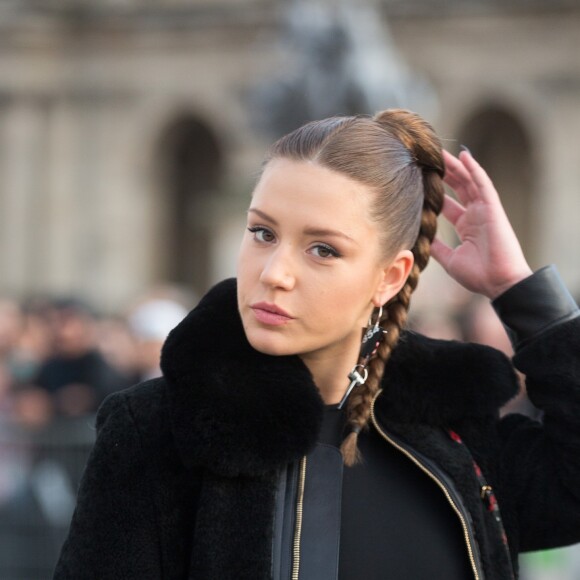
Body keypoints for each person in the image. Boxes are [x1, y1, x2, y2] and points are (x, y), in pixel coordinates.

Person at [53, 109, 580, 580]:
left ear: (390, 277)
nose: (275, 273)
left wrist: (520, 290)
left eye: (323, 249)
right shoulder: (156, 433)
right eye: (262, 233)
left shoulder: (456, 434)